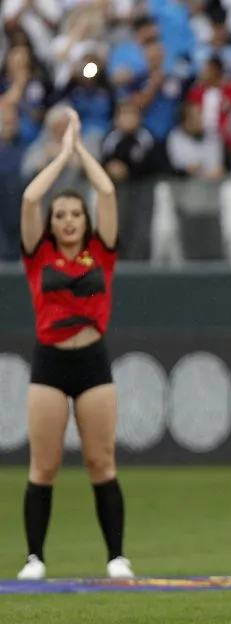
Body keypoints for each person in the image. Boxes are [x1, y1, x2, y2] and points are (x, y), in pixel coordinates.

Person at [16, 108, 133, 581]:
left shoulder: (100, 252)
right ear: (52, 223)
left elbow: (105, 190)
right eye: (59, 215)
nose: (66, 220)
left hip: (92, 361)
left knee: (100, 462)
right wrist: (60, 156)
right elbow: (29, 197)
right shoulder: (38, 254)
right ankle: (35, 558)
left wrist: (81, 151)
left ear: (85, 222)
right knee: (43, 467)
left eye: (74, 214)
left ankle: (116, 556)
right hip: (49, 363)